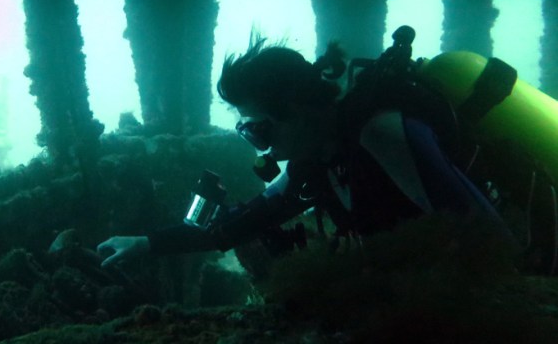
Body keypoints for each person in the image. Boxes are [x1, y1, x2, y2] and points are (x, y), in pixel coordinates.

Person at [97, 35, 506, 268]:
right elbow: (244, 220)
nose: (260, 144)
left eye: (258, 130)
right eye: (247, 133)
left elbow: (489, 236)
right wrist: (147, 243)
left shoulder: (382, 135)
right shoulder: (319, 158)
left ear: (295, 112)